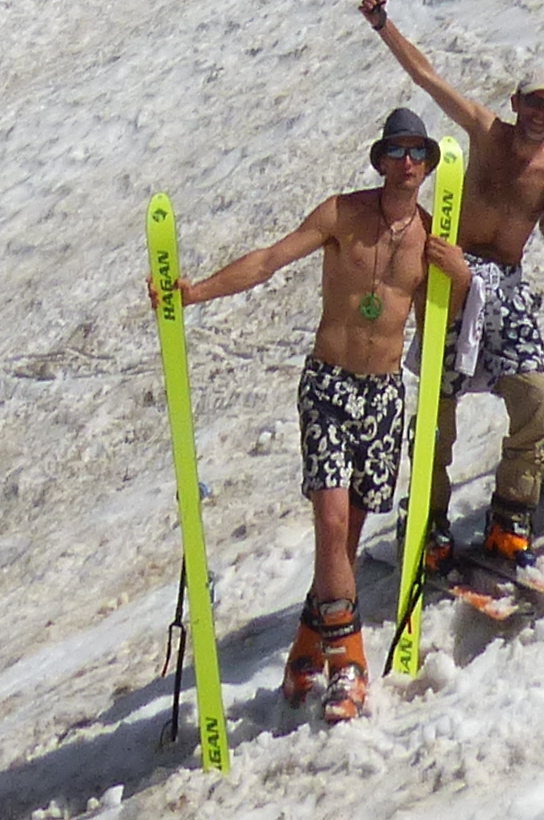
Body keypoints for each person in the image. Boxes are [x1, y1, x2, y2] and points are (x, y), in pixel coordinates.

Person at [170, 102, 476, 718]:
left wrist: (462, 277)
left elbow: (441, 326)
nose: (408, 163)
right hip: (328, 387)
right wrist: (194, 292)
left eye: (418, 153)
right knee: (331, 526)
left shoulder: (430, 241)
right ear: (381, 161)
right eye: (397, 152)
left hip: (383, 395)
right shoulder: (342, 214)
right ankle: (348, 667)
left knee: (345, 542)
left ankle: (305, 651)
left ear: (428, 166)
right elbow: (269, 260)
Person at [359, 0, 544, 565]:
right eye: (534, 103)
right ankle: (428, 520)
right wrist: (383, 25)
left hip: (506, 284)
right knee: (437, 410)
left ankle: (511, 514)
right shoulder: (485, 130)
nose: (541, 114)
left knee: (534, 401)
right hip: (452, 275)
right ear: (517, 102)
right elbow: (426, 77)